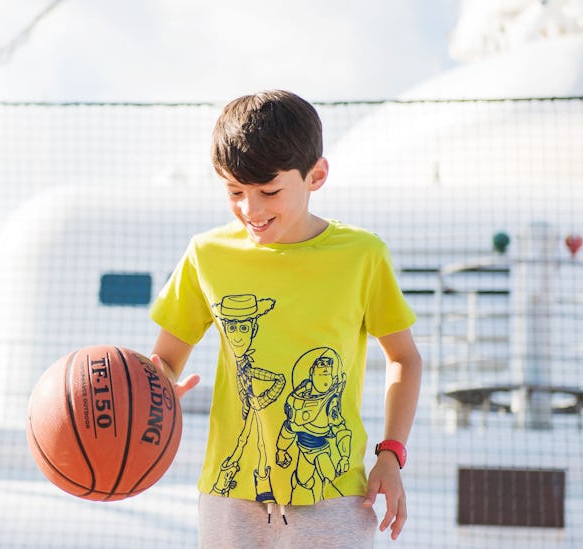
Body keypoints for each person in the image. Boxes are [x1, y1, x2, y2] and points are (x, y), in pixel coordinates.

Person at [148, 89, 422, 547]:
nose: (250, 210)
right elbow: (164, 361)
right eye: (234, 191)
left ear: (316, 175)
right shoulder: (206, 254)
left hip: (334, 500)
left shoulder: (362, 256)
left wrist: (390, 456)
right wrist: (157, 390)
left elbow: (404, 359)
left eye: (269, 191)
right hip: (227, 499)